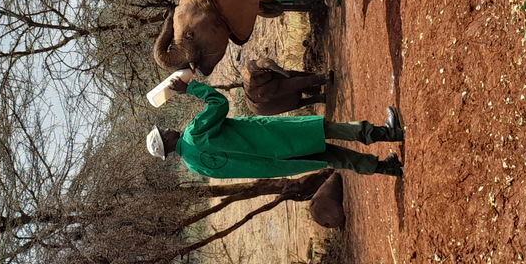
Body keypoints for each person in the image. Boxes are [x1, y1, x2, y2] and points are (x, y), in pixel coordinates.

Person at [146, 77, 404, 178]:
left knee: (335, 158)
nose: (167, 129)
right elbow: (219, 103)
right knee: (330, 130)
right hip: (277, 137)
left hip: (279, 162)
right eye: (164, 133)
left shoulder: (196, 166)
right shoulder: (194, 133)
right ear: (166, 143)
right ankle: (386, 133)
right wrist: (190, 88)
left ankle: (385, 167)